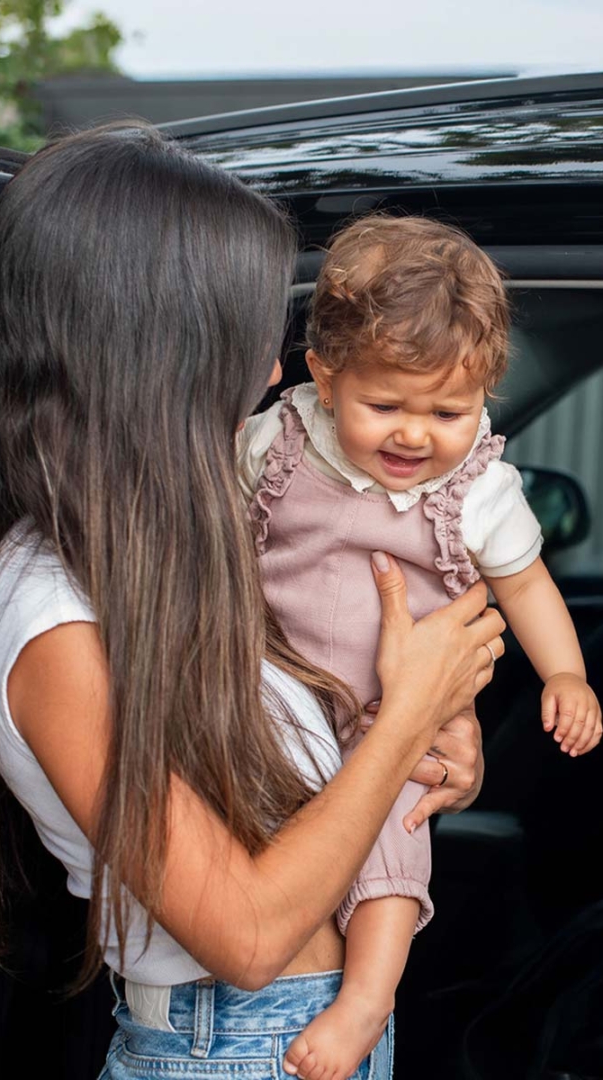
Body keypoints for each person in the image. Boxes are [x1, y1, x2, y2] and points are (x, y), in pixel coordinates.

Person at [0, 128, 504, 1080]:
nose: (274, 375)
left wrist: (419, 747)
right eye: (249, 341)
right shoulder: (52, 616)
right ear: (155, 354)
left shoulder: (160, 554)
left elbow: (299, 777)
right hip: (234, 1045)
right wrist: (408, 719)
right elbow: (251, 935)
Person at [238, 213, 603, 1080]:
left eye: (449, 411)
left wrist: (567, 672)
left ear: (486, 395)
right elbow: (203, 541)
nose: (415, 435)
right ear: (322, 377)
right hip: (262, 688)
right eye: (387, 406)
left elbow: (525, 586)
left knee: (398, 833)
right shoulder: (273, 441)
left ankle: (367, 999)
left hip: (384, 710)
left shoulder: (479, 487)